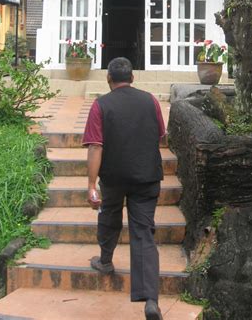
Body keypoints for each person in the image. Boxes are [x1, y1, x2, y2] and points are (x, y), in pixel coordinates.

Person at [82, 57, 166, 320]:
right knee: (144, 233)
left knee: (109, 215)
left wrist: (91, 185)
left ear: (109, 79)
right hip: (147, 176)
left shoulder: (101, 105)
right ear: (133, 78)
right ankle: (151, 299)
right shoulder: (150, 100)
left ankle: (105, 260)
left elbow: (96, 146)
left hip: (114, 177)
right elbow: (161, 136)